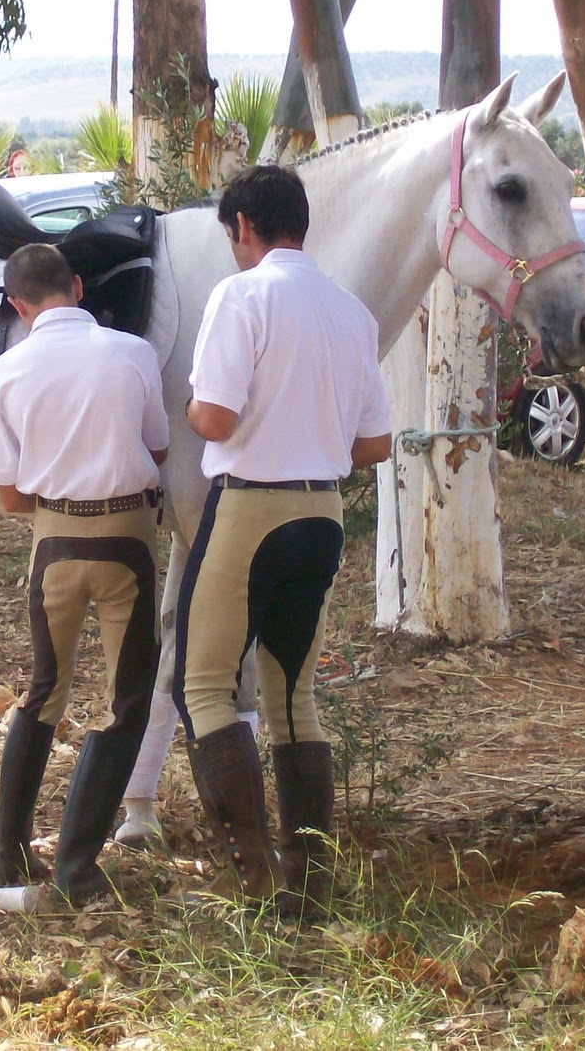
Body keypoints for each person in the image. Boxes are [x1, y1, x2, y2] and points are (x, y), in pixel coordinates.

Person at [175, 164, 392, 916]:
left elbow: (216, 419)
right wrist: (312, 428)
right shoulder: (351, 313)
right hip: (322, 514)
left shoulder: (241, 295)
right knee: (293, 698)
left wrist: (194, 406)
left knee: (200, 685)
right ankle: (310, 886)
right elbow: (377, 443)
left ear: (242, 228)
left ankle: (252, 880)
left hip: (251, 510)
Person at [0, 242, 170, 912]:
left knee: (42, 692)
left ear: (20, 308)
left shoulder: (7, 371)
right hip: (127, 545)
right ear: (78, 288)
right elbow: (159, 447)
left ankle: (9, 854)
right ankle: (78, 866)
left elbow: (7, 495)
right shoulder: (133, 354)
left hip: (54, 543)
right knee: (127, 702)